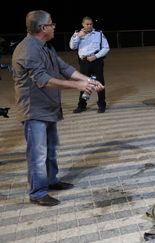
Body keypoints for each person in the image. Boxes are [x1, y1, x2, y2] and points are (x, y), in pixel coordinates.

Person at [12, 10, 104, 206]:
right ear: (43, 28)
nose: (54, 27)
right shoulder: (28, 50)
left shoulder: (44, 46)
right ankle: (37, 193)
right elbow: (43, 80)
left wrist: (89, 81)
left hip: (48, 107)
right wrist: (78, 86)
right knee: (38, 154)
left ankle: (51, 180)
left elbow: (64, 68)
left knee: (51, 149)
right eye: (51, 24)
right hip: (34, 110)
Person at [69, 16, 110, 113]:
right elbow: (72, 47)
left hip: (96, 61)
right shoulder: (77, 34)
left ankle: (101, 105)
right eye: (87, 24)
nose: (89, 26)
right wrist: (78, 36)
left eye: (91, 24)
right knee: (85, 83)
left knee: (100, 83)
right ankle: (82, 105)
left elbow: (106, 48)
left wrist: (95, 56)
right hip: (84, 62)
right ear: (83, 24)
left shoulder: (99, 34)